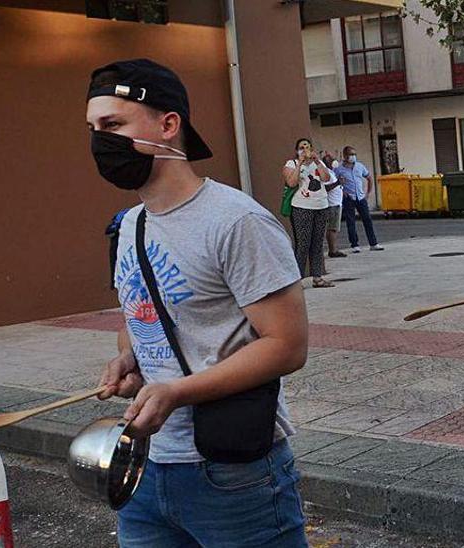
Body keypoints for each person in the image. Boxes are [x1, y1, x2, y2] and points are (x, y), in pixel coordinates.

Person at [88, 59, 309, 546]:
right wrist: (129, 357)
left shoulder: (237, 221)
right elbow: (138, 316)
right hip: (144, 467)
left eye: (113, 125)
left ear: (169, 125)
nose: (99, 142)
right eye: (94, 128)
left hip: (234, 472)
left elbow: (287, 346)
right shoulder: (128, 226)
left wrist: (178, 392)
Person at [284, 138, 335, 288]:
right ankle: (297, 280)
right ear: (297, 150)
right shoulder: (291, 164)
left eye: (307, 146)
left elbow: (326, 178)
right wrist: (300, 163)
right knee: (303, 244)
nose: (304, 149)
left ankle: (317, 277)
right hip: (301, 206)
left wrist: (318, 162)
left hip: (321, 205)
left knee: (318, 243)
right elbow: (291, 182)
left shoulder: (318, 164)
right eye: (301, 147)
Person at [334, 146, 384, 253]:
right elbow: (334, 182)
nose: (352, 157)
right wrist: (342, 192)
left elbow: (369, 178)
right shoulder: (339, 169)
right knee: (351, 222)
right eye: (350, 154)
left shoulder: (359, 166)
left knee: (367, 220)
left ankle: (373, 243)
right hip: (348, 198)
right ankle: (354, 244)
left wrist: (368, 193)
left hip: (360, 197)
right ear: (345, 156)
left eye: (354, 154)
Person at [321, 150, 346, 259]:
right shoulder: (326, 173)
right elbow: (325, 188)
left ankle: (333, 249)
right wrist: (338, 183)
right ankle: (333, 250)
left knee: (334, 228)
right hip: (332, 205)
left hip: (336, 203)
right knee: (333, 228)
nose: (333, 161)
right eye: (330, 159)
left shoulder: (331, 172)